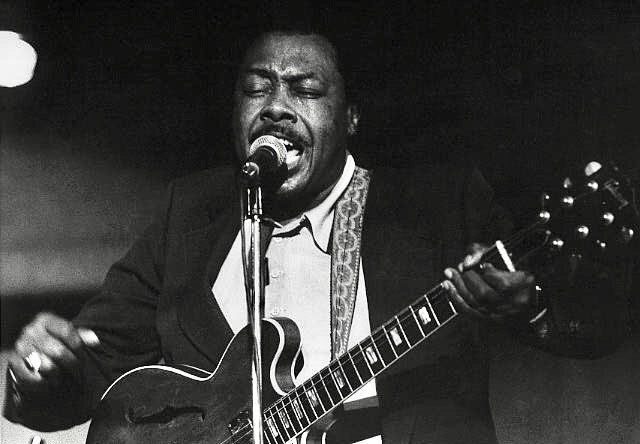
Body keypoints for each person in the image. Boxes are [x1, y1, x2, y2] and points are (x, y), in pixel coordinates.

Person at [4, 29, 637, 443]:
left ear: (350, 116)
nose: (277, 106)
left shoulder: (438, 206)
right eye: (257, 88)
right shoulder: (188, 215)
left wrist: (532, 306)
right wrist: (40, 374)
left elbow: (600, 321)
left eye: (306, 90)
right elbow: (97, 382)